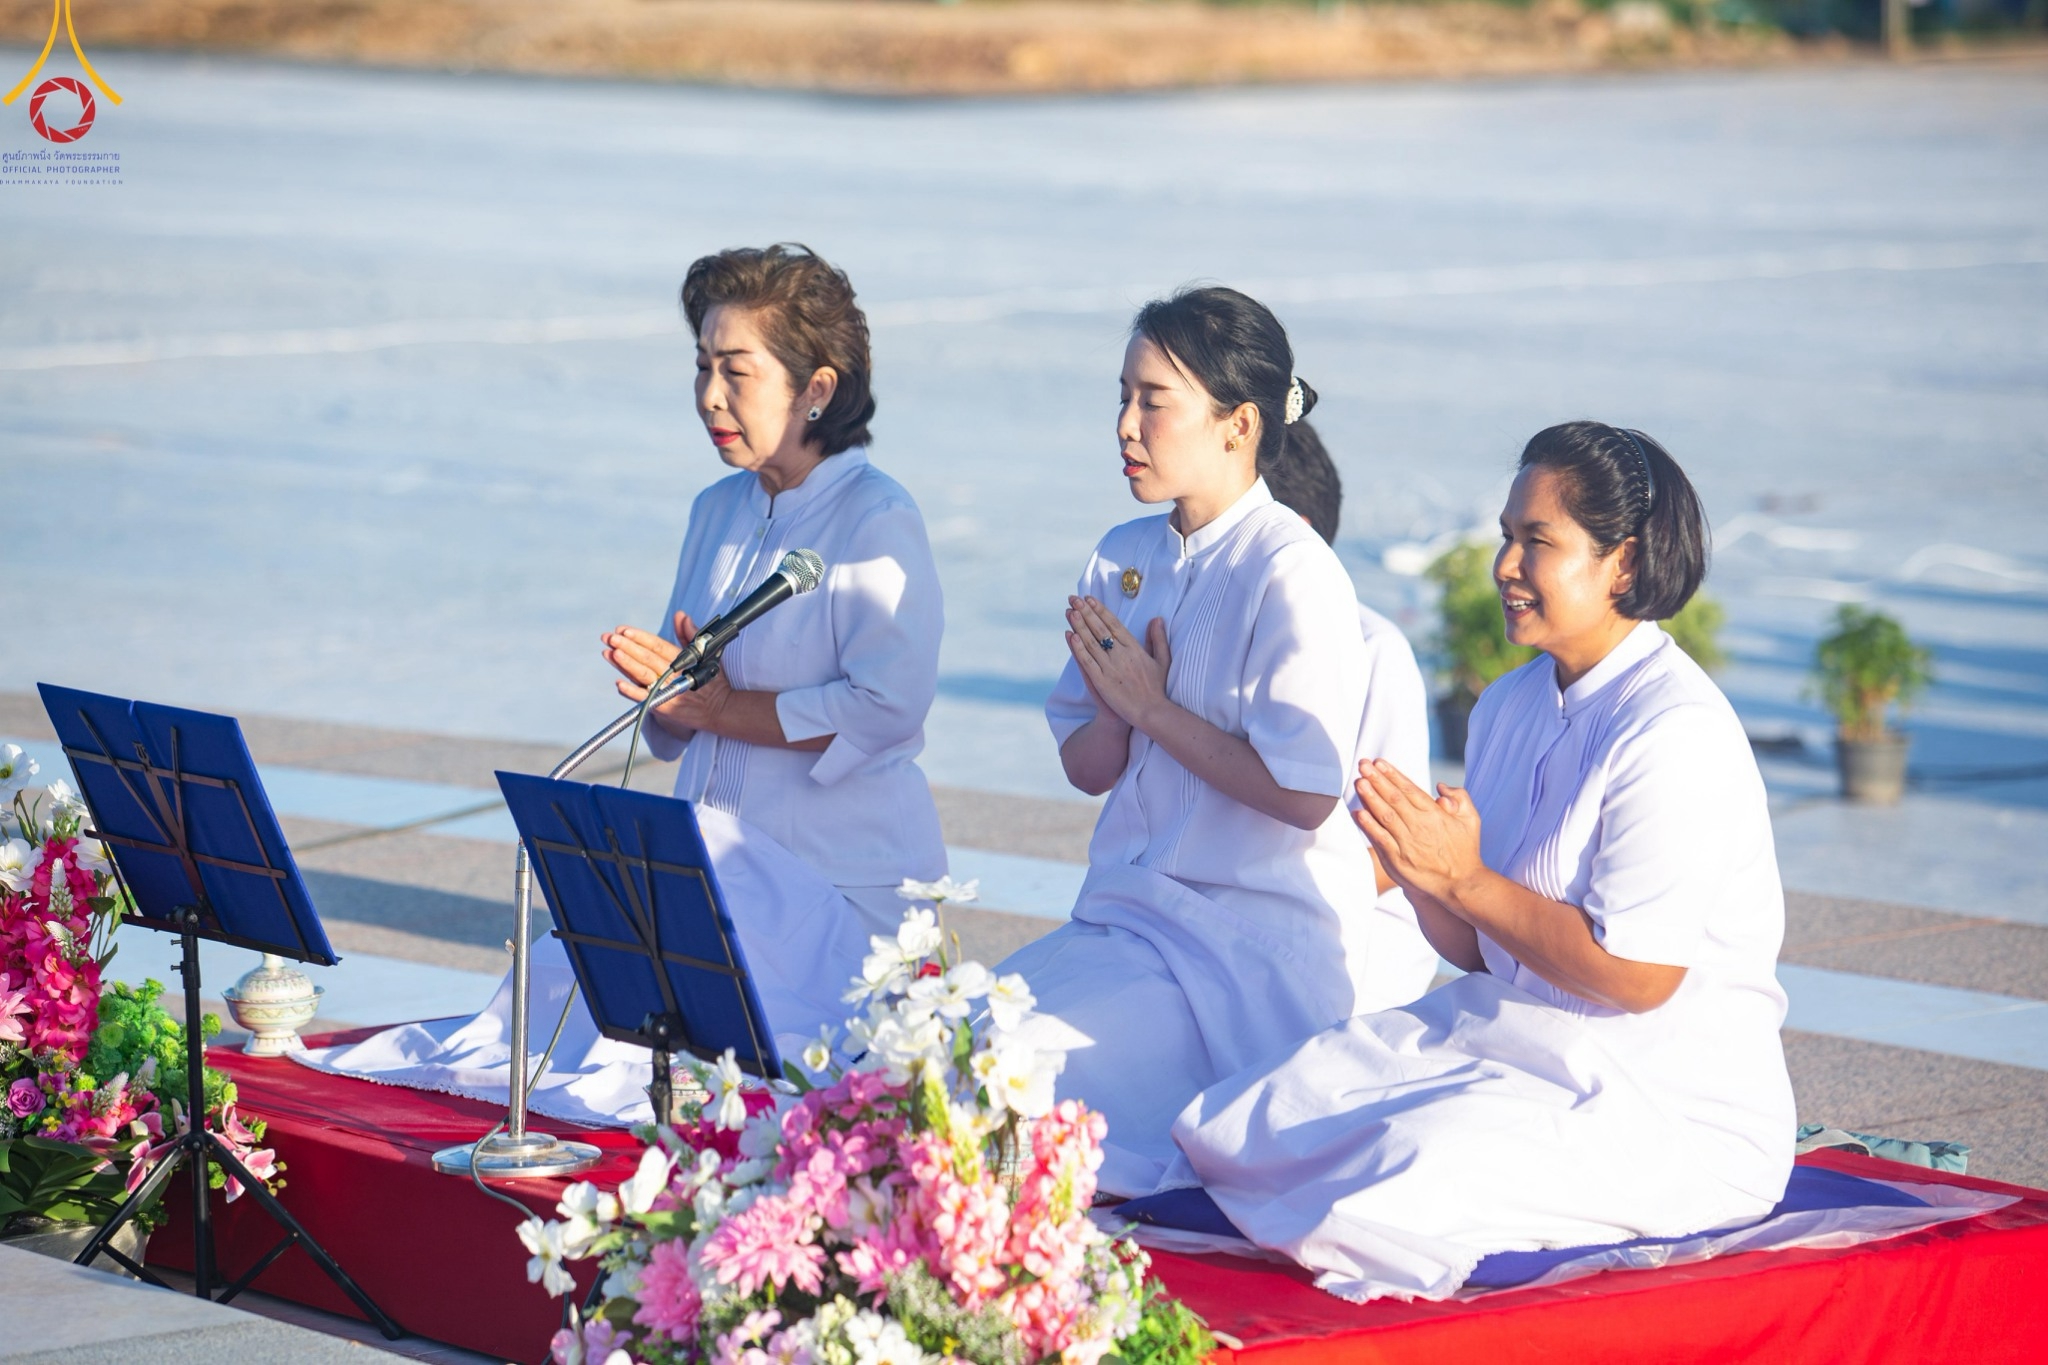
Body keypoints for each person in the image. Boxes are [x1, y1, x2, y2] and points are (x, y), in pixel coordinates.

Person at [1165, 422, 1795, 1303]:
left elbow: (1640, 974)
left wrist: (1463, 877)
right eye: (1507, 534)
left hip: (1665, 1100)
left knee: (1390, 1184)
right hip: (1520, 1036)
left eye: (1537, 541)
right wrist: (1419, 866)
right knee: (1252, 1121)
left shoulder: (1674, 729)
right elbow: (1477, 947)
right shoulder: (1508, 705)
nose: (1504, 563)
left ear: (1624, 562)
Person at [1000, 288, 1439, 1198]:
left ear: (1238, 423)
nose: (1126, 423)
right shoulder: (1121, 553)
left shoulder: (1293, 568)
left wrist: (1154, 708)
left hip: (1244, 953)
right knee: (929, 1038)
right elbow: (1085, 768)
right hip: (1125, 919)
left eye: (1153, 399)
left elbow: (1305, 793)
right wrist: (1120, 708)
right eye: (1122, 395)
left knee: (1000, 1085)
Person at [598, 243, 949, 1041]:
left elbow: (887, 709)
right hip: (712, 868)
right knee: (564, 987)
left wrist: (721, 707)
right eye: (700, 367)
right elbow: (674, 720)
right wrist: (670, 697)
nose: (709, 397)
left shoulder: (875, 515)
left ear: (816, 388)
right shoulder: (716, 509)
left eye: (736, 371)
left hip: (831, 884)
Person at [1260, 420, 1438, 998]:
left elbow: (1396, 847)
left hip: (1349, 939)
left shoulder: (1372, 649)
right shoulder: (1197, 623)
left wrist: (1263, 894)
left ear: (1298, 536)